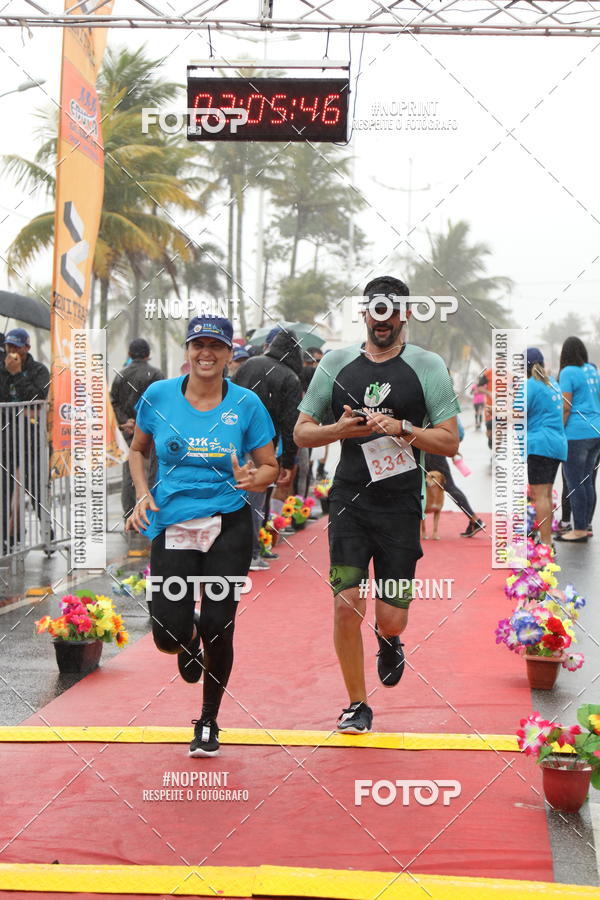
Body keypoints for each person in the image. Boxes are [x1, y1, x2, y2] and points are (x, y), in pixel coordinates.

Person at [294, 276, 460, 735]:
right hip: (348, 501)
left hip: (400, 505)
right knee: (346, 603)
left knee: (391, 614)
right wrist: (338, 431)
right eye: (374, 311)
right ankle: (356, 704)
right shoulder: (335, 363)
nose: (382, 320)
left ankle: (390, 641)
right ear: (364, 313)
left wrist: (403, 428)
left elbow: (449, 441)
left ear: (404, 314)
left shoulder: (427, 366)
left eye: (391, 311)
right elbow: (302, 432)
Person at [125, 316, 277, 757]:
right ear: (187, 350)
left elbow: (270, 467)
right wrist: (141, 494)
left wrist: (255, 478)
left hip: (227, 523)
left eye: (216, 345)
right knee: (166, 634)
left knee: (218, 623)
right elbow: (138, 450)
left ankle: (208, 721)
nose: (206, 353)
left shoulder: (246, 405)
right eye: (198, 344)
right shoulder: (159, 397)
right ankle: (186, 639)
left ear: (230, 353)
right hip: (172, 523)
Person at [233, 327, 303, 568]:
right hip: (264, 447)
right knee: (257, 499)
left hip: (234, 441)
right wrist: (288, 462)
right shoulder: (290, 377)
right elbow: (290, 422)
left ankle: (240, 550)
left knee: (236, 497)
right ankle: (252, 553)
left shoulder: (248, 365)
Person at [0, 328, 51, 552]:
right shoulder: (2, 368)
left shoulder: (38, 370)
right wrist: (8, 373)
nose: (12, 351)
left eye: (17, 347)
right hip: (6, 439)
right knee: (3, 490)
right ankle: (4, 539)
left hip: (32, 440)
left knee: (37, 488)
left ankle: (49, 535)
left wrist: (18, 374)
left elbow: (37, 397)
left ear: (26, 348)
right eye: (9, 347)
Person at [110, 338, 164, 521]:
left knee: (130, 475)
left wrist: (126, 421)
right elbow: (161, 404)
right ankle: (150, 513)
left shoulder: (120, 375)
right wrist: (145, 423)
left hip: (129, 432)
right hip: (152, 432)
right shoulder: (156, 375)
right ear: (148, 355)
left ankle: (129, 516)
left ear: (130, 354)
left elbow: (113, 403)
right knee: (152, 473)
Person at [556, 336, 600, 543]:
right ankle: (586, 525)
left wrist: (558, 430)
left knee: (575, 483)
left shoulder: (567, 372)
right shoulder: (592, 370)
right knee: (587, 481)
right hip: (596, 431)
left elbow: (566, 406)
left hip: (577, 433)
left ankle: (579, 529)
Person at [525, 348, 567, 547]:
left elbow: (517, 413)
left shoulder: (531, 385)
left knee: (540, 496)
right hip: (557, 444)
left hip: (540, 445)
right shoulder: (553, 383)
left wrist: (497, 411)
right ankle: (546, 540)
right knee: (547, 495)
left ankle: (546, 543)